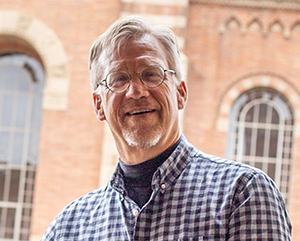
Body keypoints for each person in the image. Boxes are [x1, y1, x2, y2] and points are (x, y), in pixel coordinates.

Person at [42, 16, 292, 240]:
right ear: (98, 105)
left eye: (151, 74)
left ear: (181, 92)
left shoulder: (242, 192)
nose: (136, 91)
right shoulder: (68, 228)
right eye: (119, 79)